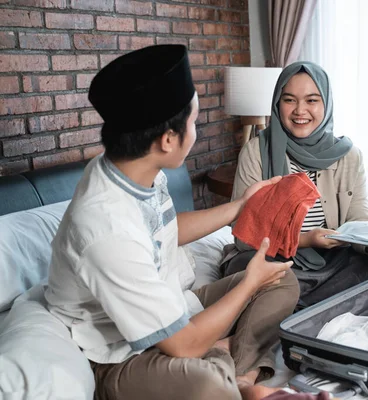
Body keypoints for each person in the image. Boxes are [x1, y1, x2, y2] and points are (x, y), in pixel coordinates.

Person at [44, 44, 299, 400]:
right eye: (193, 122)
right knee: (205, 385)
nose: (195, 131)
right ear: (167, 140)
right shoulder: (105, 228)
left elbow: (164, 229)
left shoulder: (132, 168)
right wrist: (248, 282)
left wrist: (240, 206)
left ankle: (237, 370)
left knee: (281, 281)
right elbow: (184, 345)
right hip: (118, 353)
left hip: (172, 306)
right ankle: (234, 370)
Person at [222, 61, 368, 308]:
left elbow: (360, 216)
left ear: (326, 104)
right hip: (272, 259)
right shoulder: (256, 152)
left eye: (312, 100)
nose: (300, 110)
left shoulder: (349, 155)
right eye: (289, 100)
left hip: (329, 258)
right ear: (277, 104)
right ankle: (323, 306)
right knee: (259, 276)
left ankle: (303, 306)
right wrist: (304, 240)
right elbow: (242, 234)